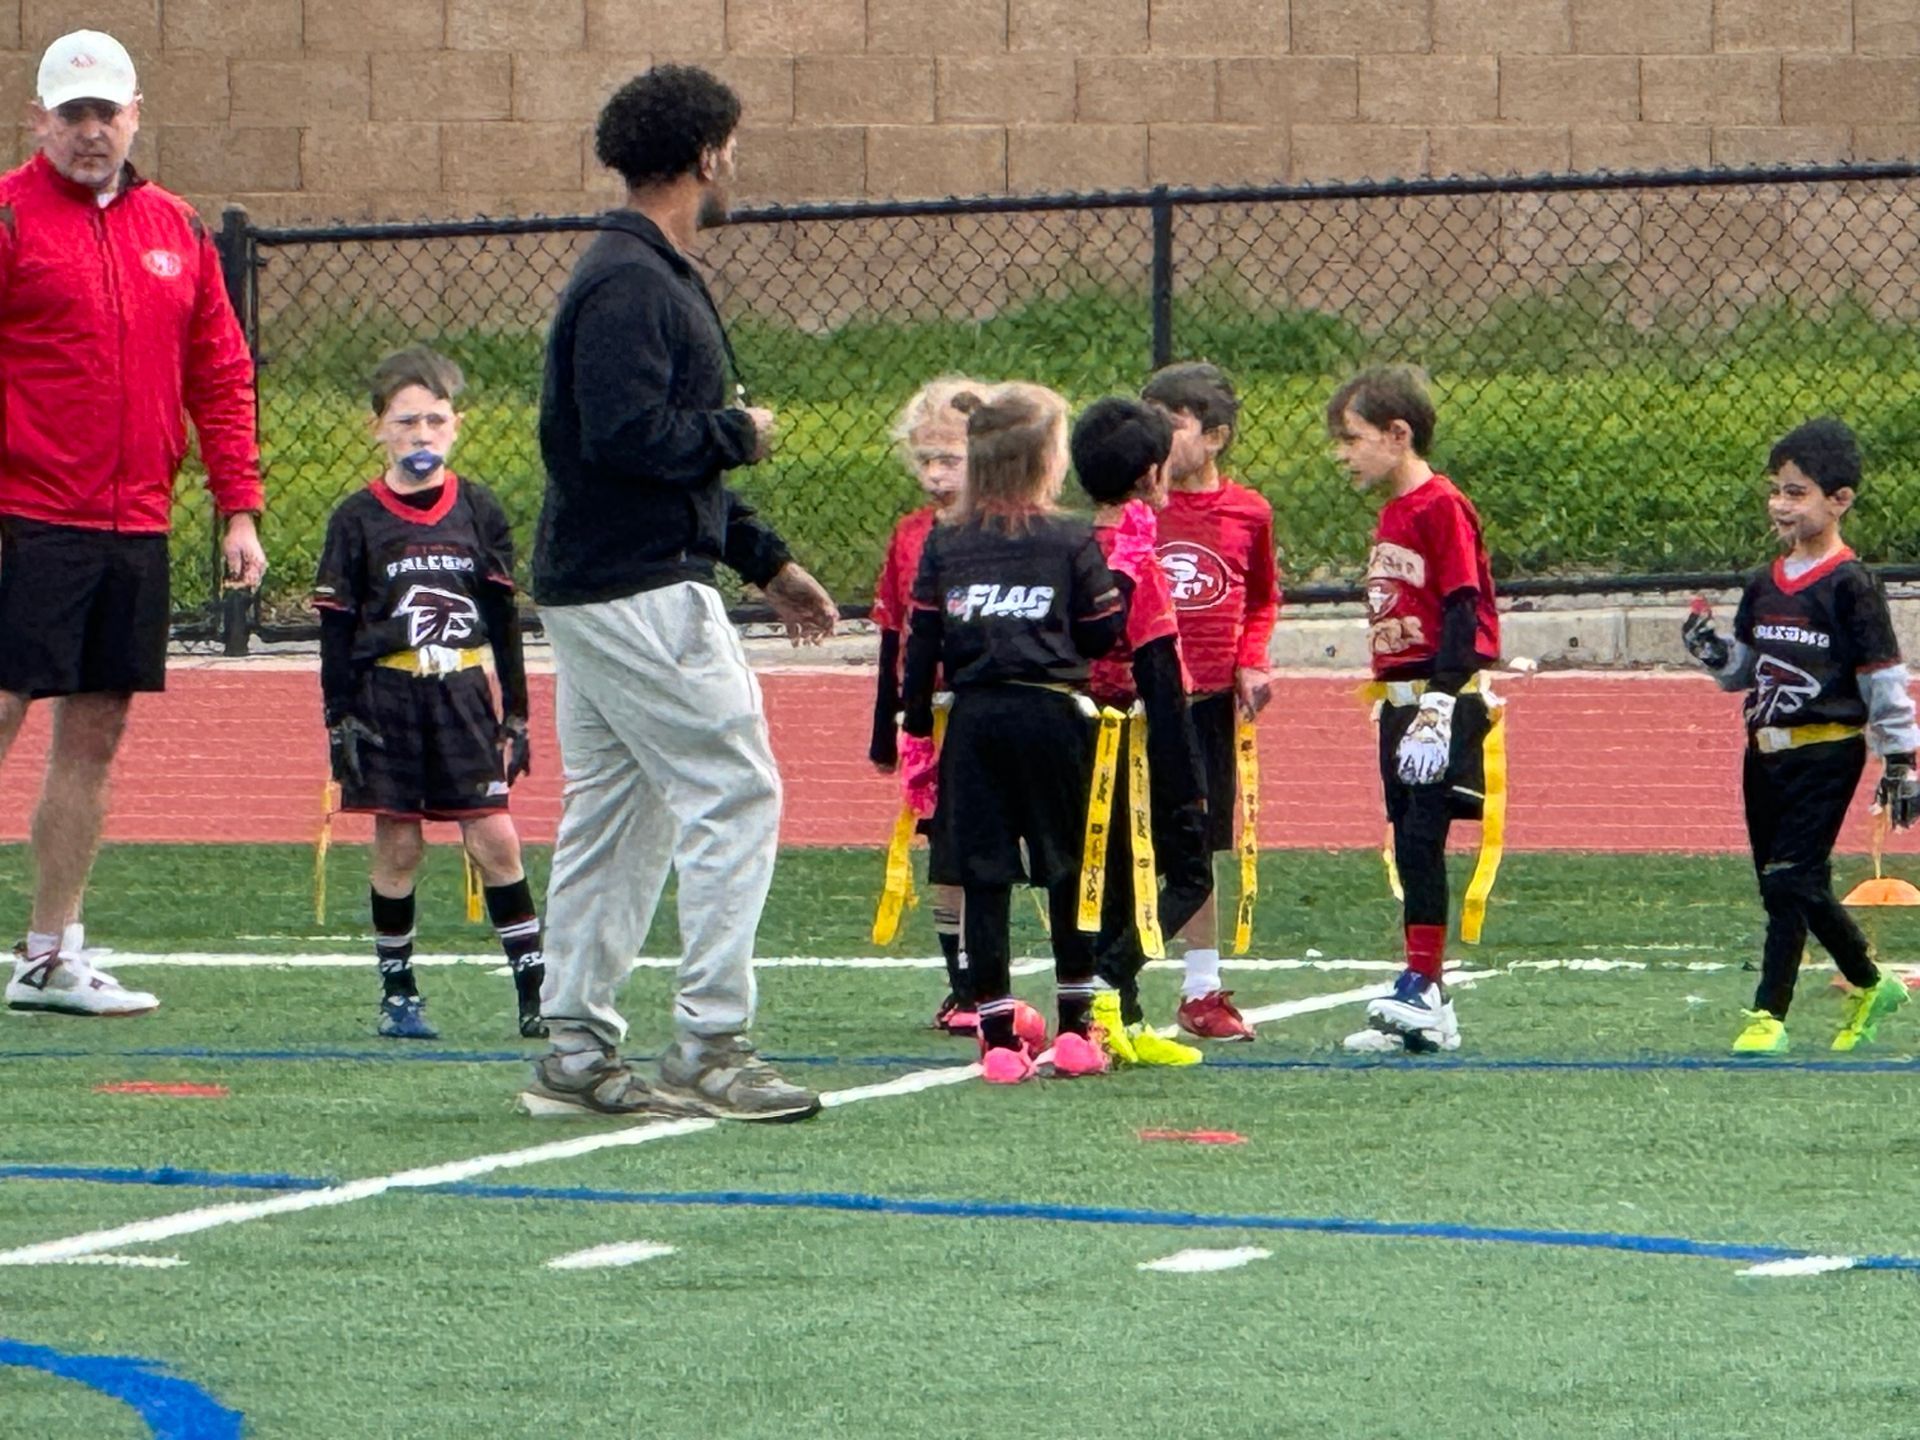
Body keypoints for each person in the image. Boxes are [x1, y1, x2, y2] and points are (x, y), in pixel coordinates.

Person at [521, 66, 838, 1122]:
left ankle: (574, 1047)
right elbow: (625, 440)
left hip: (609, 582)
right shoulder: (633, 282)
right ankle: (710, 1042)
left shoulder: (640, 272)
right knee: (734, 792)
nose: (735, 164)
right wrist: (735, 438)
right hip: (640, 591)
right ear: (705, 153)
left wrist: (766, 560)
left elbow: (643, 458)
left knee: (621, 814)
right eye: (731, 145)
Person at [0, 30, 265, 1018]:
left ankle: (46, 956)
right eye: (72, 114)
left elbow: (221, 375)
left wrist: (238, 508)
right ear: (39, 121)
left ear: (136, 115)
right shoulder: (10, 219)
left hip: (131, 523)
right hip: (24, 516)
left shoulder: (178, 230)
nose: (91, 131)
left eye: (106, 112)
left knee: (94, 735)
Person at [899, 382, 1132, 1085]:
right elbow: (1101, 632)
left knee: (985, 877)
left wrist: (914, 719)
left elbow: (923, 639)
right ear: (1044, 465)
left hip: (974, 723)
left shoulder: (947, 541)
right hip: (1054, 717)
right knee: (1068, 870)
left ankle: (998, 1040)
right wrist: (1118, 582)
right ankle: (1074, 1031)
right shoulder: (1069, 538)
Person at [313, 347, 546, 1041]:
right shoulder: (356, 518)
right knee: (399, 845)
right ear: (377, 428)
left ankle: (535, 990)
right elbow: (336, 626)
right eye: (406, 421)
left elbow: (503, 617)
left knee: (495, 837)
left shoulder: (477, 507)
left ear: (457, 425)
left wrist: (519, 711)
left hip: (462, 690)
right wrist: (338, 717)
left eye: (435, 420)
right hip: (387, 692)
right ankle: (399, 992)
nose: (422, 434)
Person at [1682, 417, 1915, 1054]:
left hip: (1827, 748)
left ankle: (1821, 994)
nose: (1781, 504)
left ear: (1839, 501)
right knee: (1777, 886)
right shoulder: (1764, 583)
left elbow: (1884, 679)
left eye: (1797, 492)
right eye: (1777, 490)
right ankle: (1798, 1008)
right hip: (1764, 752)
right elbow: (1745, 673)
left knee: (1793, 875)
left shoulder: (1853, 586)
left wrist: (1900, 759)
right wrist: (1711, 652)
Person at [1328, 366, 1499, 1055]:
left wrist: (1437, 701)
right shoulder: (1392, 514)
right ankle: (1432, 1002)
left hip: (1439, 693)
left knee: (1425, 839)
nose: (1343, 453)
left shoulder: (1439, 505)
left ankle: (1423, 986)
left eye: (1354, 438)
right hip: (1400, 699)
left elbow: (1464, 605)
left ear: (1398, 435)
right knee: (1406, 839)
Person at [1068, 397, 1212, 1068]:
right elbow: (1157, 669)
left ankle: (1118, 1017)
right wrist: (1188, 780)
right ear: (1154, 476)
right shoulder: (1140, 565)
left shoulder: (1065, 550)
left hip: (1072, 733)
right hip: (1132, 745)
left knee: (1112, 877)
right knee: (1188, 873)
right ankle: (1106, 983)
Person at [1143, 362, 1278, 1041]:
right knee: (1132, 838)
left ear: (1216, 436)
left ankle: (1201, 988)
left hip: (1209, 704)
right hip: (1144, 703)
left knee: (1201, 842)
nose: (1157, 441)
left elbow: (1260, 599)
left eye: (1172, 427)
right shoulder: (1137, 509)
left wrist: (1251, 660)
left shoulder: (1248, 512)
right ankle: (1103, 981)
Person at [869, 378, 983, 1033]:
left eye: (950, 458)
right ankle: (960, 981)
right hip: (934, 712)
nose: (935, 474)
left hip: (996, 703)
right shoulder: (910, 534)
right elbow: (893, 631)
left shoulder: (1011, 530)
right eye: (925, 459)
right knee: (944, 842)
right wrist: (888, 728)